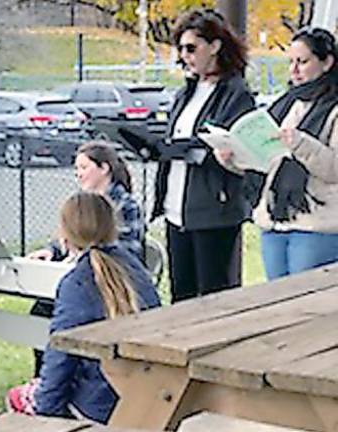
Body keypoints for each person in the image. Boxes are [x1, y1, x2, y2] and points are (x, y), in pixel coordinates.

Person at [6, 191, 160, 423]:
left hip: (98, 404)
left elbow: (60, 357)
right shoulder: (134, 268)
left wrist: (47, 415)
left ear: (65, 234)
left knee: (18, 397)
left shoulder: (76, 284)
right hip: (144, 393)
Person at [216, 27, 338, 280]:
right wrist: (234, 158)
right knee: (275, 298)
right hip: (274, 218)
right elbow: (267, 161)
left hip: (317, 224)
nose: (293, 70)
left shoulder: (333, 108)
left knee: (306, 302)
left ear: (327, 63)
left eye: (302, 62)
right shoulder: (287, 103)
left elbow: (334, 169)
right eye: (291, 62)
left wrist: (301, 143)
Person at [153, 9, 255, 303]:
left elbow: (233, 146)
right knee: (181, 297)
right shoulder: (185, 93)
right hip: (176, 210)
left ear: (215, 46)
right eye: (180, 49)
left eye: (191, 48)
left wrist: (199, 149)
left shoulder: (235, 93)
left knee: (215, 299)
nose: (185, 56)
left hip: (214, 211)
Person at [27, 142, 144, 377]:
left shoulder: (125, 205)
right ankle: (42, 375)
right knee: (39, 312)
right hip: (79, 274)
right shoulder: (79, 202)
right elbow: (67, 236)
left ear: (104, 168)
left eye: (83, 167)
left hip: (109, 284)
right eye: (76, 168)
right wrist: (52, 251)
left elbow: (123, 251)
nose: (78, 173)